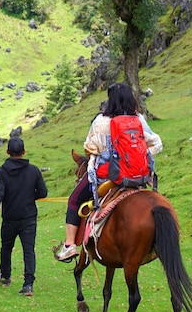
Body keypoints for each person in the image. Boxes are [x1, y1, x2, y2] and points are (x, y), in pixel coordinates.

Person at [55, 83, 162, 262]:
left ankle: (69, 245)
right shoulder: (139, 119)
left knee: (74, 200)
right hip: (136, 177)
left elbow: (90, 147)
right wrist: (138, 157)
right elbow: (157, 144)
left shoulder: (101, 121)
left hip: (105, 178)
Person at [0, 137, 48, 296]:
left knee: (6, 247)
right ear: (23, 152)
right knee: (28, 249)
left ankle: (5, 276)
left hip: (10, 217)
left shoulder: (2, 172)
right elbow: (43, 193)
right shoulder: (33, 171)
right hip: (28, 217)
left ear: (7, 152)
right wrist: (31, 196)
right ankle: (28, 284)